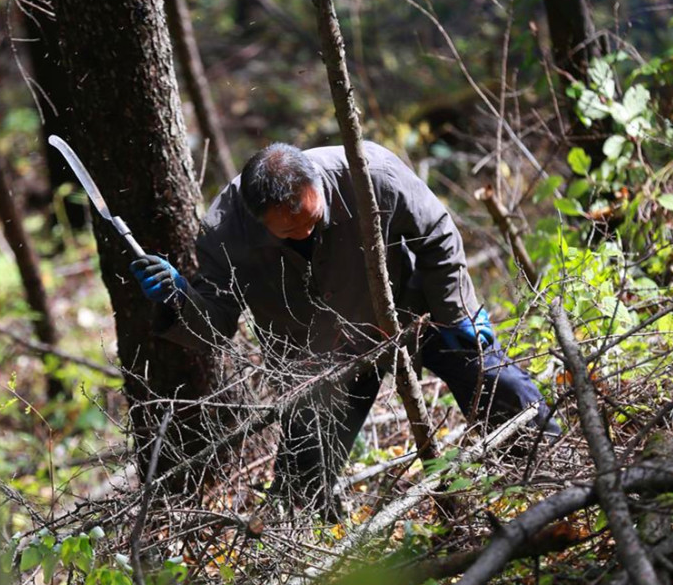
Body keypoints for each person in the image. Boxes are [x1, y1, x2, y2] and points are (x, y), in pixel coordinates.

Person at [130, 141, 559, 514]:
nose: (305, 232)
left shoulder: (370, 172)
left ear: (314, 183)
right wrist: (180, 298)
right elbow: (217, 323)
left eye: (312, 220)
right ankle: (322, 547)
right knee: (302, 477)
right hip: (320, 356)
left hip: (409, 310)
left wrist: (455, 312)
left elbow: (436, 233)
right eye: (290, 230)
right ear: (257, 217)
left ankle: (554, 474)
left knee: (500, 389)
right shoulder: (225, 231)